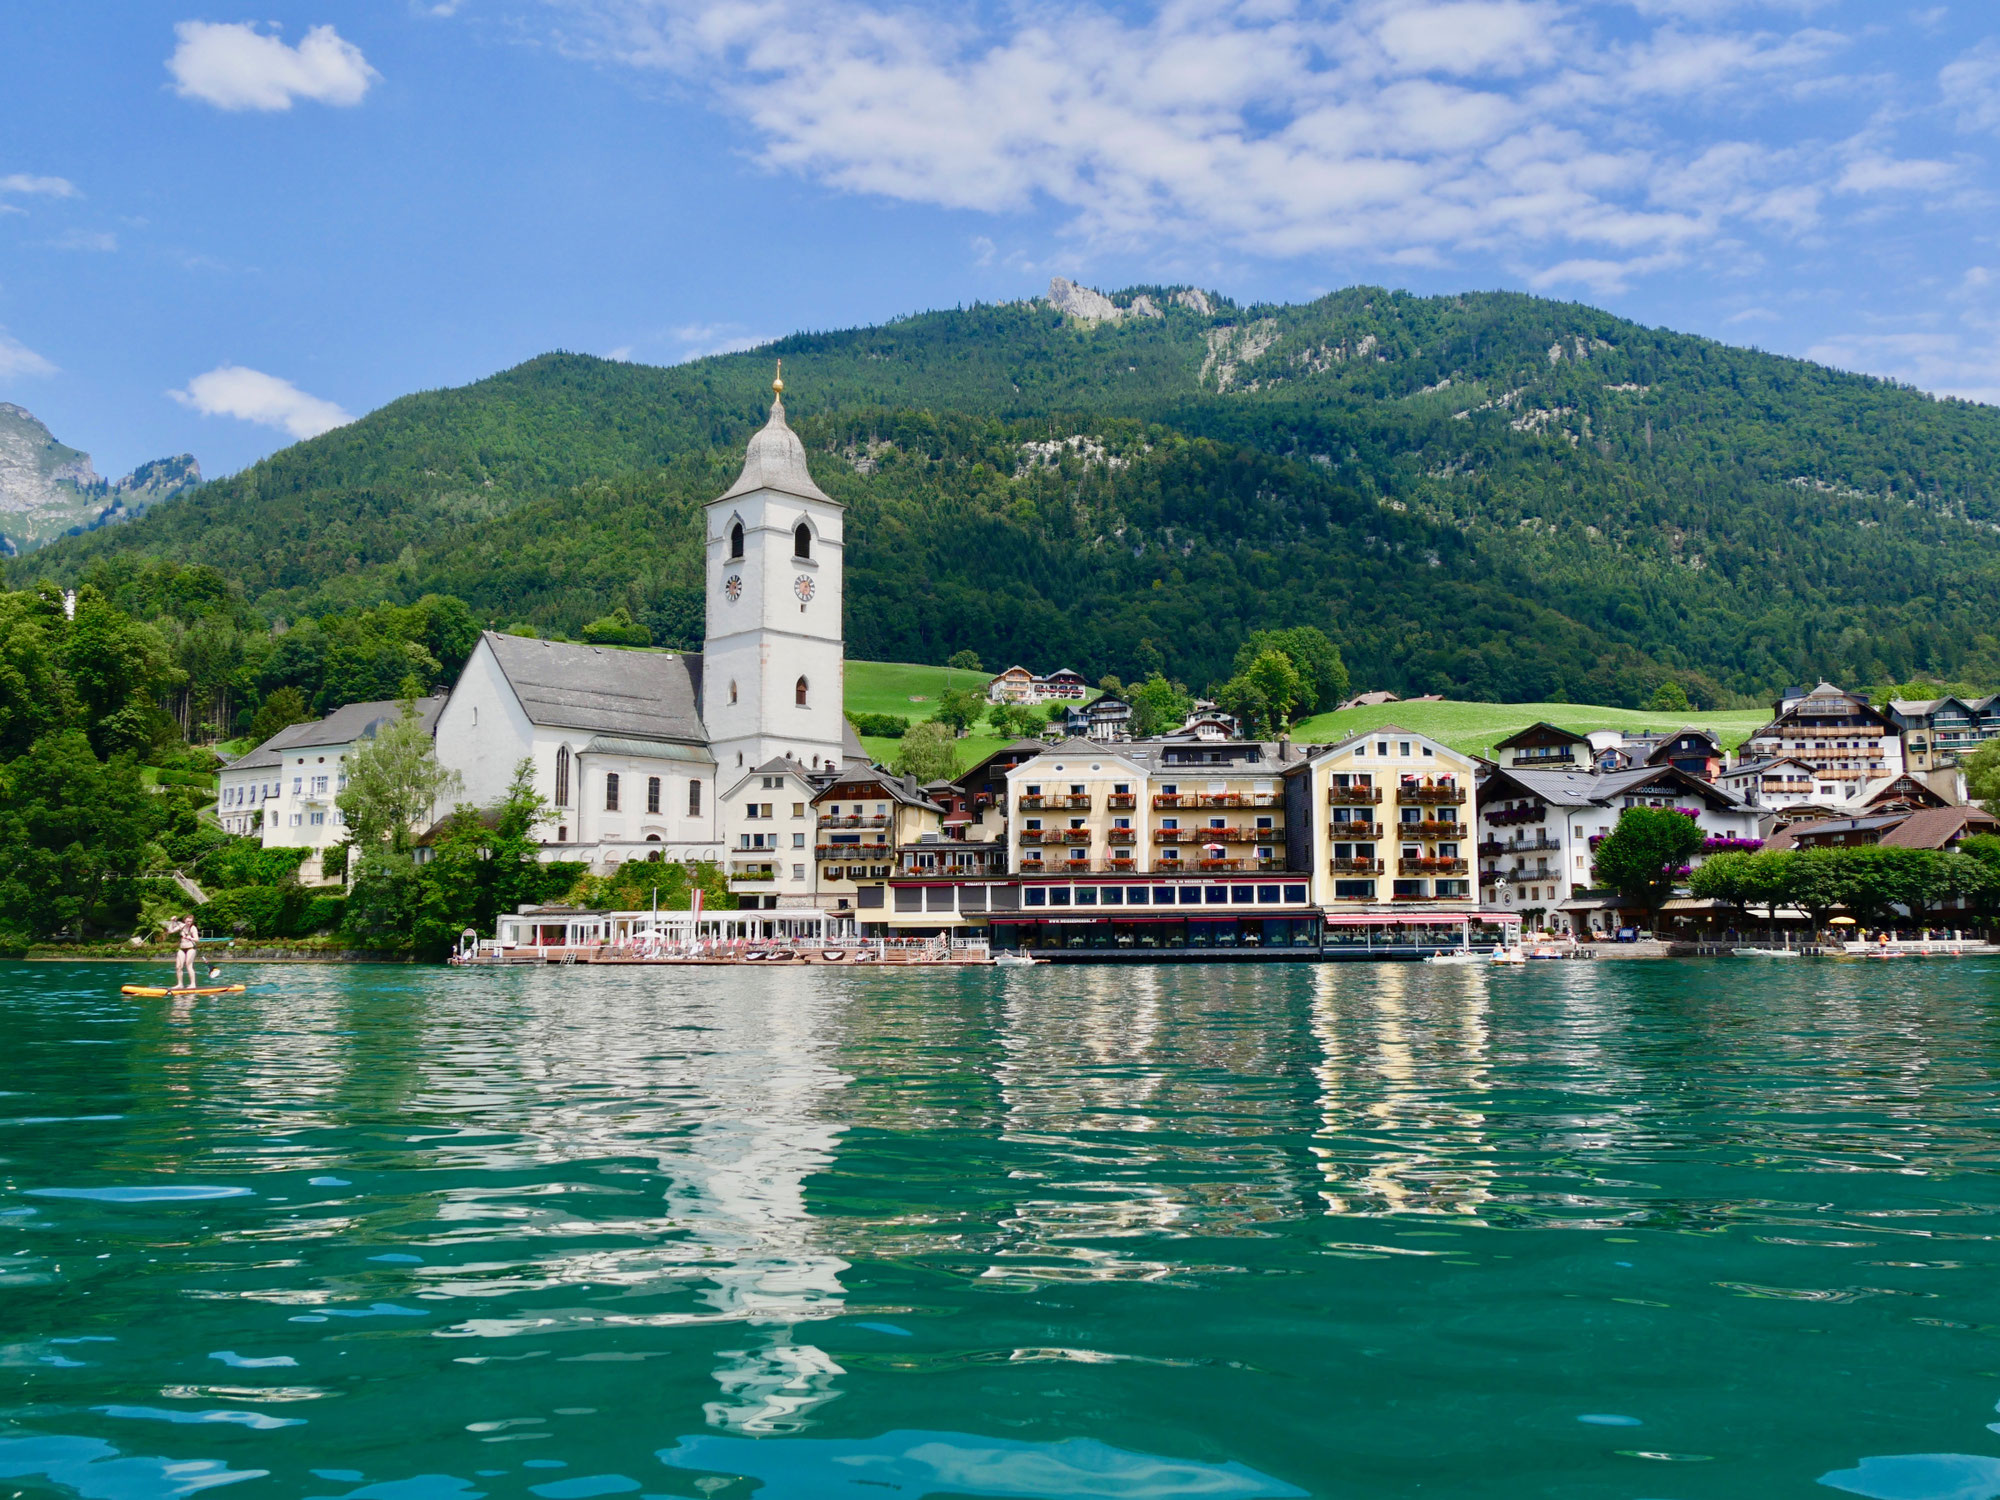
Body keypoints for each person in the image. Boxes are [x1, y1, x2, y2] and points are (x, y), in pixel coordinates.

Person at [171, 914, 200, 991]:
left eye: (190, 921)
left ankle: (193, 984)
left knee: (188, 965)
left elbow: (197, 939)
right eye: (187, 921)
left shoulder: (193, 928)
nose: (189, 922)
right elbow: (171, 931)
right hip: (182, 948)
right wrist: (173, 922)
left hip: (191, 948)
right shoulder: (182, 926)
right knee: (178, 966)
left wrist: (191, 938)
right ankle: (180, 984)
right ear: (185, 920)